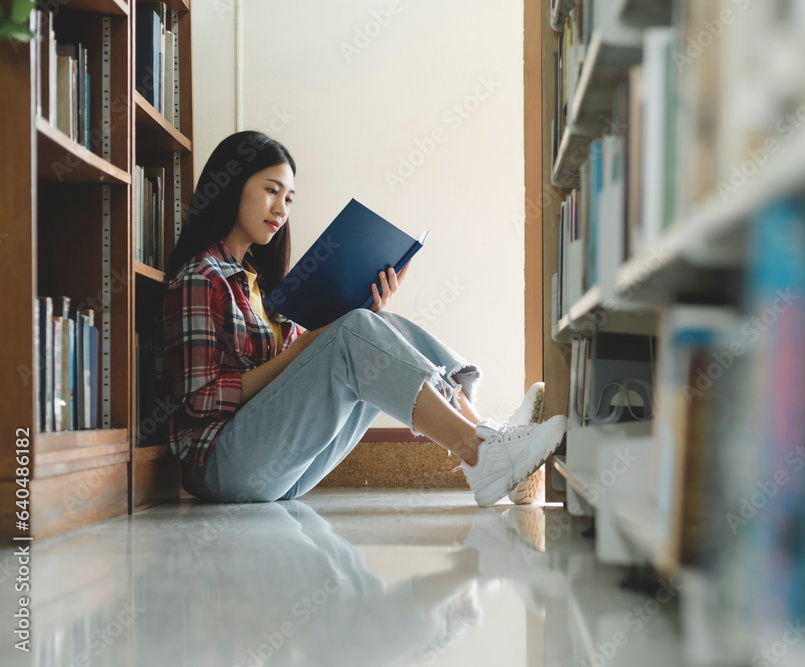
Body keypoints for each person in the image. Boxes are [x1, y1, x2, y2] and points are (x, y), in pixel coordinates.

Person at [162, 131, 565, 507]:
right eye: (271, 191)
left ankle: (489, 439)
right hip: (220, 468)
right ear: (233, 185)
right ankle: (481, 454)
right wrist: (303, 348)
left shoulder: (263, 288)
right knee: (356, 330)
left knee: (378, 325)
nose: (281, 209)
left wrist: (368, 320)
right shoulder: (202, 278)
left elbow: (308, 373)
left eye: (289, 199)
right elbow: (197, 402)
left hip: (278, 470)